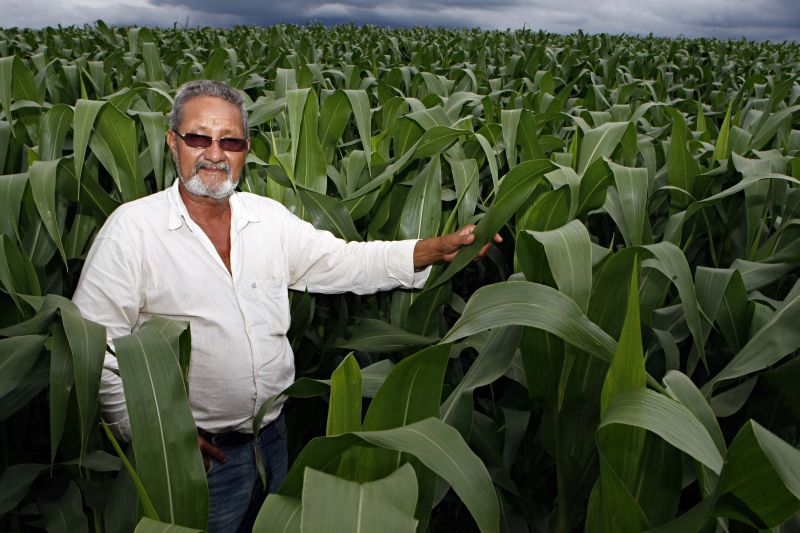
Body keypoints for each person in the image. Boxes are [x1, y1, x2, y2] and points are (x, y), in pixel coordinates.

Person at [72, 80, 500, 532]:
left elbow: (346, 261)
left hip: (273, 441)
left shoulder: (268, 219)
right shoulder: (133, 231)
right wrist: (158, 437)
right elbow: (94, 347)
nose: (215, 153)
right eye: (199, 137)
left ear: (246, 150)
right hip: (195, 461)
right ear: (172, 142)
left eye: (230, 141)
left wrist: (434, 249)